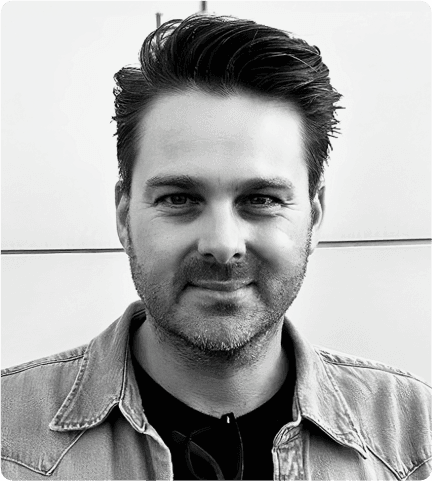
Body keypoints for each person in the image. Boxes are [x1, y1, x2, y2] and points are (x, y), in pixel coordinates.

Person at [1, 13, 431, 481]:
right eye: (179, 198)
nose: (223, 245)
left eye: (262, 199)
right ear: (124, 216)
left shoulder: (417, 436)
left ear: (315, 214)